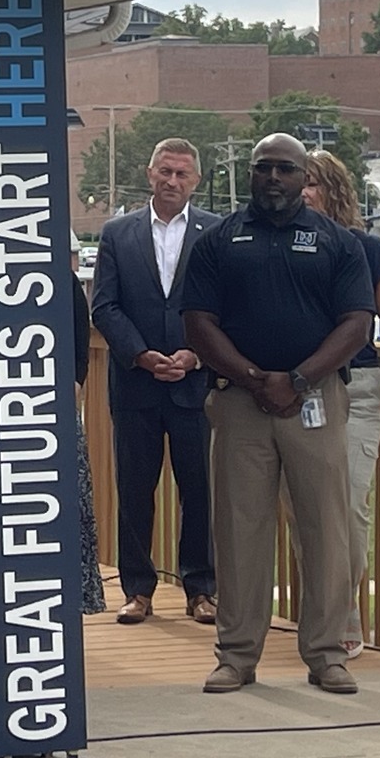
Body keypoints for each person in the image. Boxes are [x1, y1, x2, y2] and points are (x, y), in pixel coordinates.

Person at [182, 133, 375, 694]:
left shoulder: (339, 243)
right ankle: (236, 656)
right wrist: (252, 377)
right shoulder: (220, 240)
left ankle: (325, 653)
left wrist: (297, 379)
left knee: (326, 528)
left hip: (315, 400)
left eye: (285, 169)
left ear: (302, 176)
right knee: (240, 531)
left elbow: (357, 324)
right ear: (250, 174)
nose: (273, 177)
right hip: (240, 402)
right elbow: (198, 322)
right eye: (263, 167)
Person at [89, 139, 221, 624]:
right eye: (165, 171)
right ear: (149, 173)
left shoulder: (215, 232)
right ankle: (137, 590)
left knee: (199, 491)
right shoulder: (117, 233)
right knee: (135, 489)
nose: (172, 181)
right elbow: (104, 304)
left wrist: (196, 355)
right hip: (136, 384)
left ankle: (200, 590)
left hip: (195, 384)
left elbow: (225, 306)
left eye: (182, 174)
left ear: (196, 181)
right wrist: (141, 355)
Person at [300, 150, 380, 657]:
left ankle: (341, 616)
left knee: (349, 506)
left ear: (335, 190)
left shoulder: (367, 249)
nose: (303, 191)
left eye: (313, 183)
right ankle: (323, 616)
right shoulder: (277, 246)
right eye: (297, 182)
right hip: (296, 390)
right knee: (307, 510)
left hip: (357, 386)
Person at [70, 238, 105, 617]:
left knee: (75, 500)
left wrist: (77, 382)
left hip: (62, 408)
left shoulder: (64, 285)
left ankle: (81, 593)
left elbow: (81, 339)